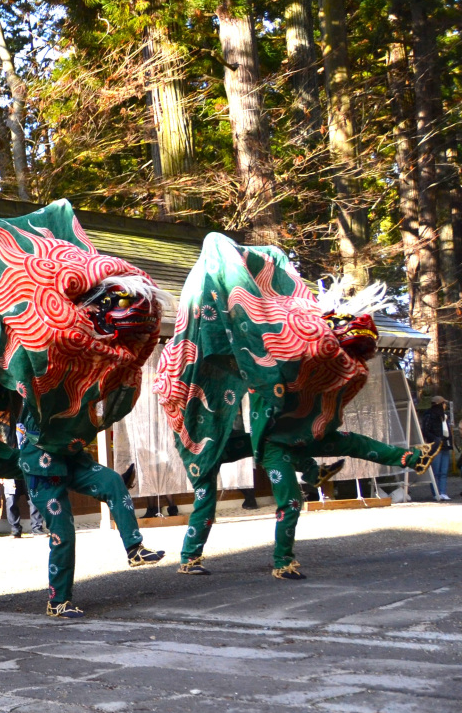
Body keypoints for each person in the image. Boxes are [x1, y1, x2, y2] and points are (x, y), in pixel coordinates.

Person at [0, 191, 167, 618]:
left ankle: (135, 548)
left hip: (51, 450)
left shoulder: (70, 363)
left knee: (112, 484)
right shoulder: (30, 362)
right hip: (24, 455)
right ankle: (24, 597)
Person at [157, 240, 440, 579]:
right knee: (252, 496)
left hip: (282, 437)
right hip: (253, 444)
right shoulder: (259, 371)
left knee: (352, 442)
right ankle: (231, 559)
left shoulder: (293, 360)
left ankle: (409, 458)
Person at [421, 395, 456, 501]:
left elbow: (447, 431)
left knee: (444, 471)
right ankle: (436, 492)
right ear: (440, 404)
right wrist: (436, 439)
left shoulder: (444, 416)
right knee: (435, 472)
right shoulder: (428, 416)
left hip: (445, 445)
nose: (445, 405)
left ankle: (443, 492)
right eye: (444, 403)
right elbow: (426, 431)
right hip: (435, 446)